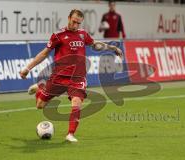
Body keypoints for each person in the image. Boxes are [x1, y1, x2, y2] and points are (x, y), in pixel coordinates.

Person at [19, 9, 123, 142]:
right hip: (59, 76)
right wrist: (27, 68)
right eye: (74, 21)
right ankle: (40, 88)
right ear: (69, 18)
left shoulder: (82, 34)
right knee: (40, 105)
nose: (75, 25)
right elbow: (44, 53)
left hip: (78, 77)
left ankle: (70, 134)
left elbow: (95, 45)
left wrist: (112, 48)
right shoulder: (58, 35)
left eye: (78, 23)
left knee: (76, 103)